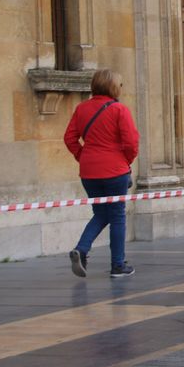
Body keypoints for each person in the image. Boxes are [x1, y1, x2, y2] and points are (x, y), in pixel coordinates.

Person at [63, 69, 139, 279]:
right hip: (115, 170)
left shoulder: (81, 109)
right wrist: (125, 161)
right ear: (113, 87)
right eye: (120, 85)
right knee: (117, 216)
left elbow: (69, 138)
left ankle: (82, 249)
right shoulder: (119, 110)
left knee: (101, 213)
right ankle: (117, 265)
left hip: (89, 172)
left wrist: (83, 157)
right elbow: (131, 143)